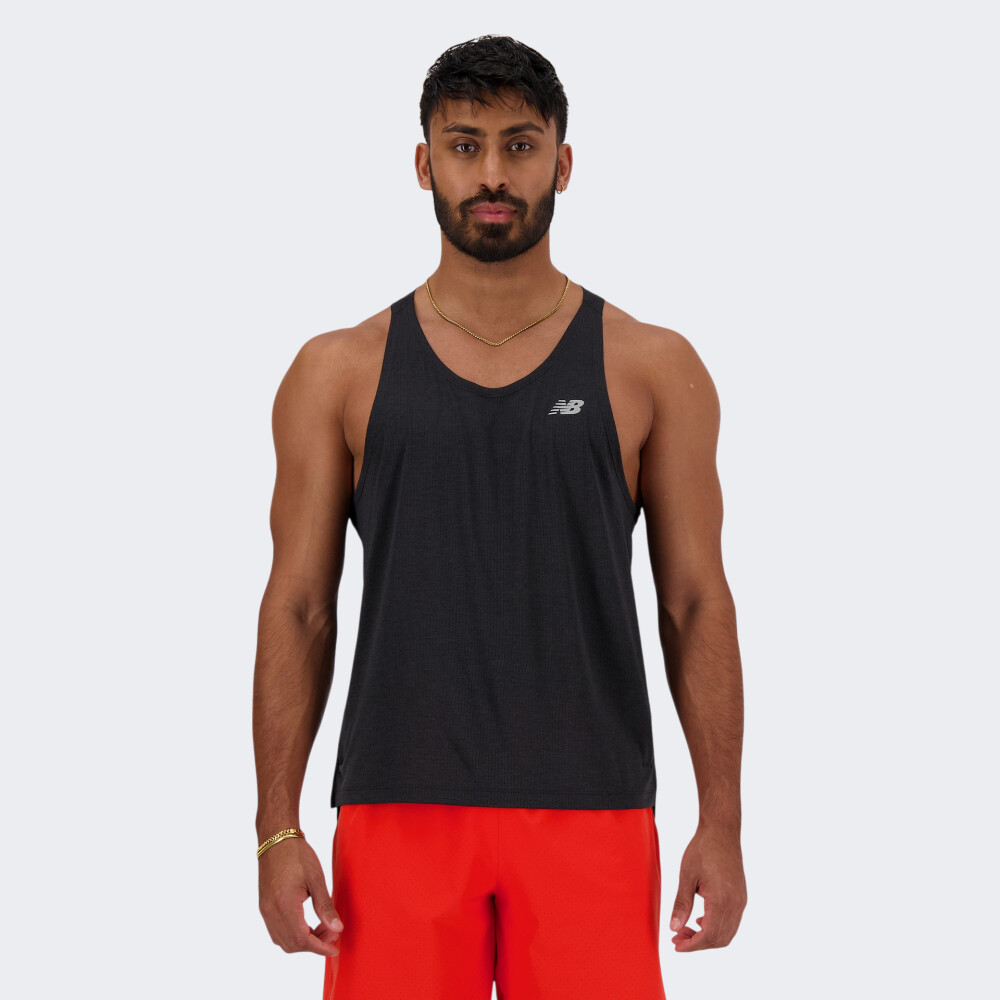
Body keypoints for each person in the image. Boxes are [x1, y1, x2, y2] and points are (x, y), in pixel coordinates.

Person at [253, 34, 746, 1000]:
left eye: (520, 145)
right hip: (396, 811)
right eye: (464, 144)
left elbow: (695, 602)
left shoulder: (651, 366)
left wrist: (720, 823)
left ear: (563, 163)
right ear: (423, 162)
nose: (492, 174)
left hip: (594, 810)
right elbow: (299, 606)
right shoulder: (337, 371)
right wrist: (277, 830)